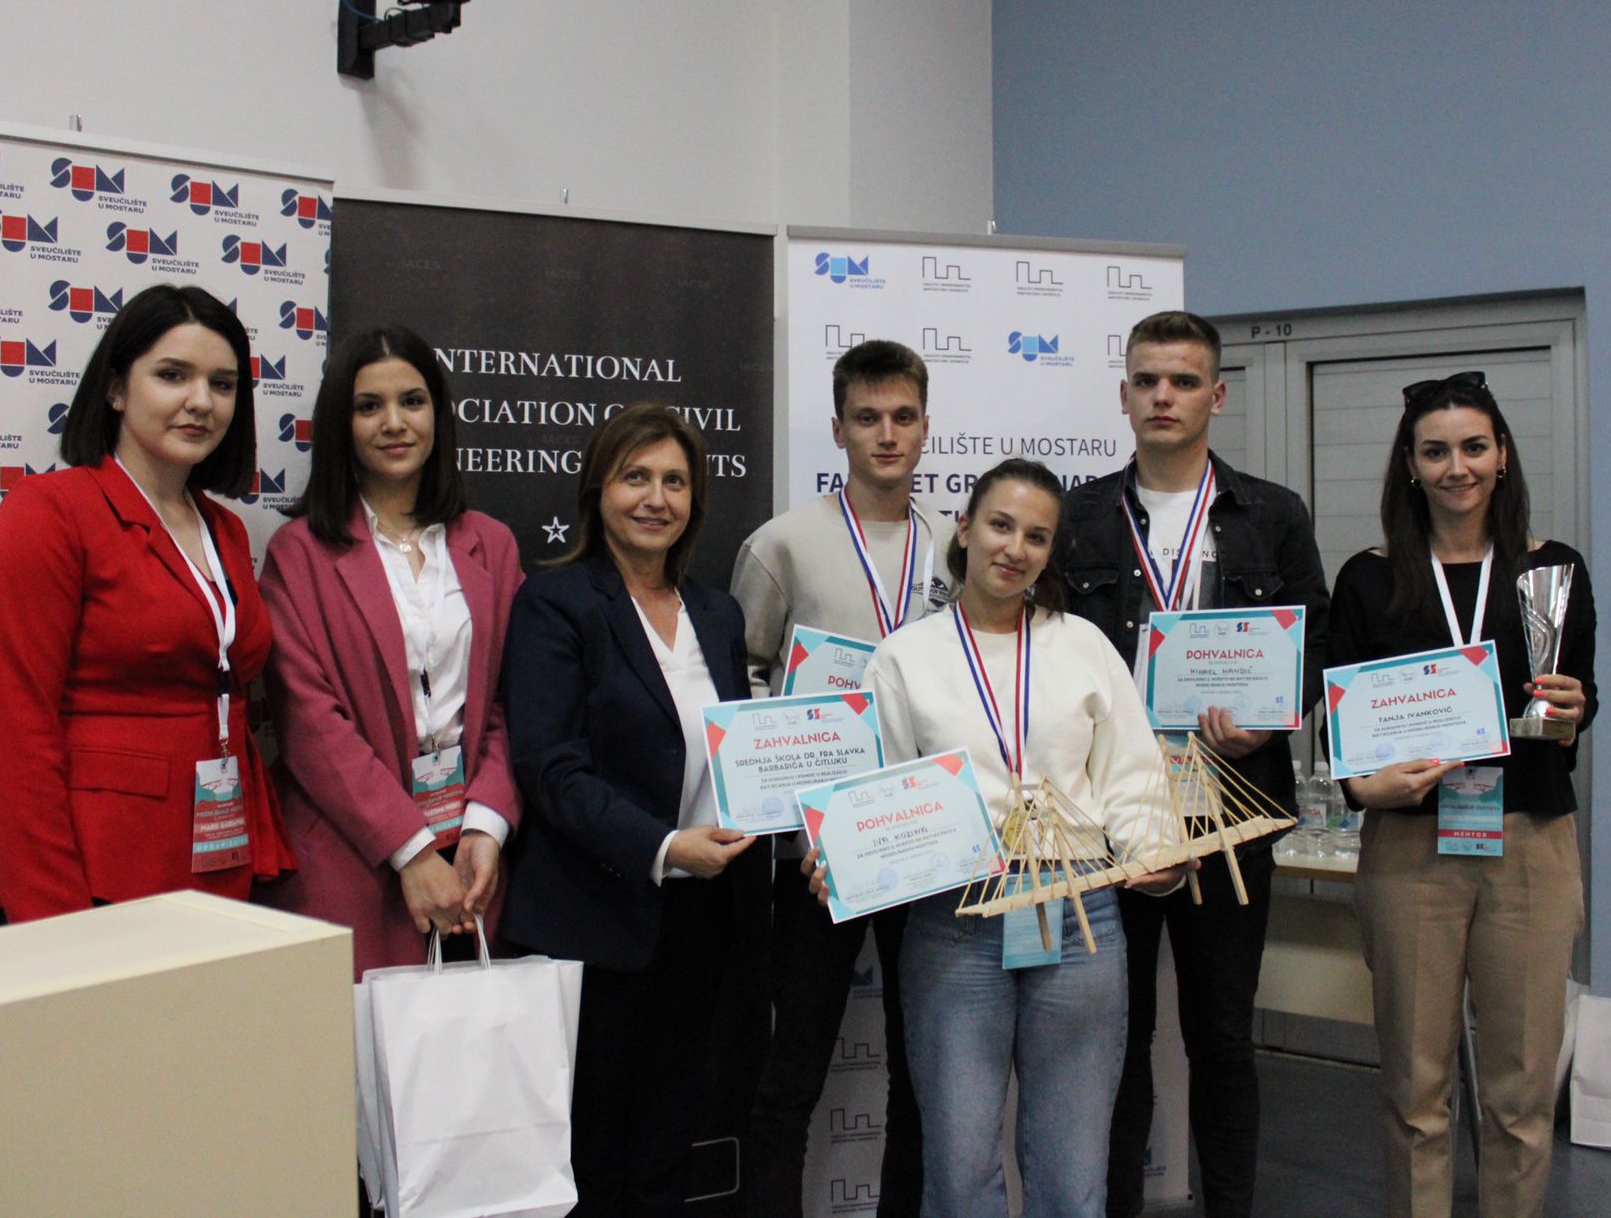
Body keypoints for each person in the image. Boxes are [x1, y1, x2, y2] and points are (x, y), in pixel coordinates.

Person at [848, 457, 1184, 1217]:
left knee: (1073, 1173)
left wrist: (1156, 855)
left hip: (1079, 915)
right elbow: (880, 797)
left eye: (1036, 536)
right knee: (960, 1169)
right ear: (965, 529)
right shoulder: (903, 657)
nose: (1015, 548)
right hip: (959, 918)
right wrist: (850, 858)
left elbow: (1130, 775)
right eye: (1001, 525)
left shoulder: (1082, 644)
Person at [1062, 310, 1329, 1218]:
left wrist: (1270, 720)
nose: (1163, 397)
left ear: (1216, 395)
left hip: (1232, 807)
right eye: (1147, 381)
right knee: (1117, 1038)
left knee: (1221, 1039)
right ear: (1124, 395)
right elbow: (1047, 658)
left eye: (1182, 381)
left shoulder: (1273, 514)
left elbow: (1315, 645)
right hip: (1115, 813)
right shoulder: (1080, 516)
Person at [1325, 369, 1596, 1218]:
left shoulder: (1553, 570)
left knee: (1522, 1092)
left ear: (1502, 454)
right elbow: (1343, 731)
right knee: (1415, 1089)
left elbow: (1575, 699)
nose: (1457, 468)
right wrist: (1364, 786)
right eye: (1435, 451)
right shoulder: (1367, 580)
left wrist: (1576, 708)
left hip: (1529, 842)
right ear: (1410, 465)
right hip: (1411, 848)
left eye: (1474, 447)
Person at [499, 402, 769, 1217]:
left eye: (675, 482)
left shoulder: (717, 613)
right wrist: (662, 846)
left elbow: (739, 751)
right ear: (598, 490)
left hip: (702, 916)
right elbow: (550, 768)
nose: (656, 498)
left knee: (668, 1140)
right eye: (636, 477)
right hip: (594, 916)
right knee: (590, 1150)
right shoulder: (555, 603)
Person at [0, 283, 289, 921]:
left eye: (223, 384)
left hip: (217, 866)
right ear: (116, 389)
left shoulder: (225, 529)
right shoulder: (50, 512)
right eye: (173, 375)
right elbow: (13, 734)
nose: (201, 401)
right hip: (90, 880)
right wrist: (52, 920)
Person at [733, 340, 944, 1217]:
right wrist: (799, 758)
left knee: (922, 1073)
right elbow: (741, 681)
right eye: (867, 418)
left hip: (923, 841)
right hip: (816, 854)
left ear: (925, 427)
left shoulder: (955, 547)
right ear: (838, 429)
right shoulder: (782, 544)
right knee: (792, 1072)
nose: (885, 435)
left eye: (902, 417)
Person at [257, 325, 522, 980]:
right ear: (340, 424)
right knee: (357, 1043)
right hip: (350, 856)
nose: (394, 423)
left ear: (438, 414)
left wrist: (488, 823)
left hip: (474, 860)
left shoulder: (492, 545)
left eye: (412, 401)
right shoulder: (299, 553)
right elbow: (310, 724)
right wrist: (410, 849)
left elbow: (513, 702)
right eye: (369, 406)